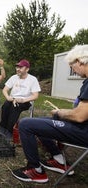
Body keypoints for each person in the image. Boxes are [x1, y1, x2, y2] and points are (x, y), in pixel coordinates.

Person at [12, 44, 88, 183]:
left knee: (26, 124)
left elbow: (79, 116)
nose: (72, 69)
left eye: (72, 65)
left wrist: (61, 112)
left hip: (83, 131)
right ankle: (58, 160)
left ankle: (36, 171)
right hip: (83, 127)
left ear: (80, 61)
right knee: (41, 122)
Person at [0, 59, 41, 139]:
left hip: (25, 101)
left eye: (20, 67)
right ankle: (2, 128)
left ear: (27, 69)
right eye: (17, 67)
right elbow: (4, 90)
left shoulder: (32, 79)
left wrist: (23, 100)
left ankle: (9, 131)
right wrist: (8, 97)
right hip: (12, 99)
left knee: (15, 107)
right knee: (5, 106)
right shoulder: (14, 77)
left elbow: (35, 96)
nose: (18, 69)